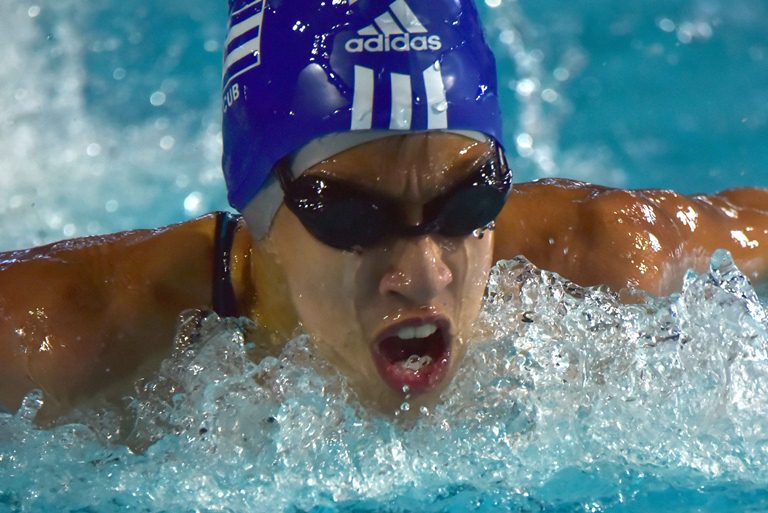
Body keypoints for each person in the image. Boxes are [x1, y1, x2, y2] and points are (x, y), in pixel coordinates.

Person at [1, 0, 766, 424]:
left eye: (469, 200)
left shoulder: (599, 254)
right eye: (354, 217)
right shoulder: (62, 335)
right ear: (261, 210)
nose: (425, 273)